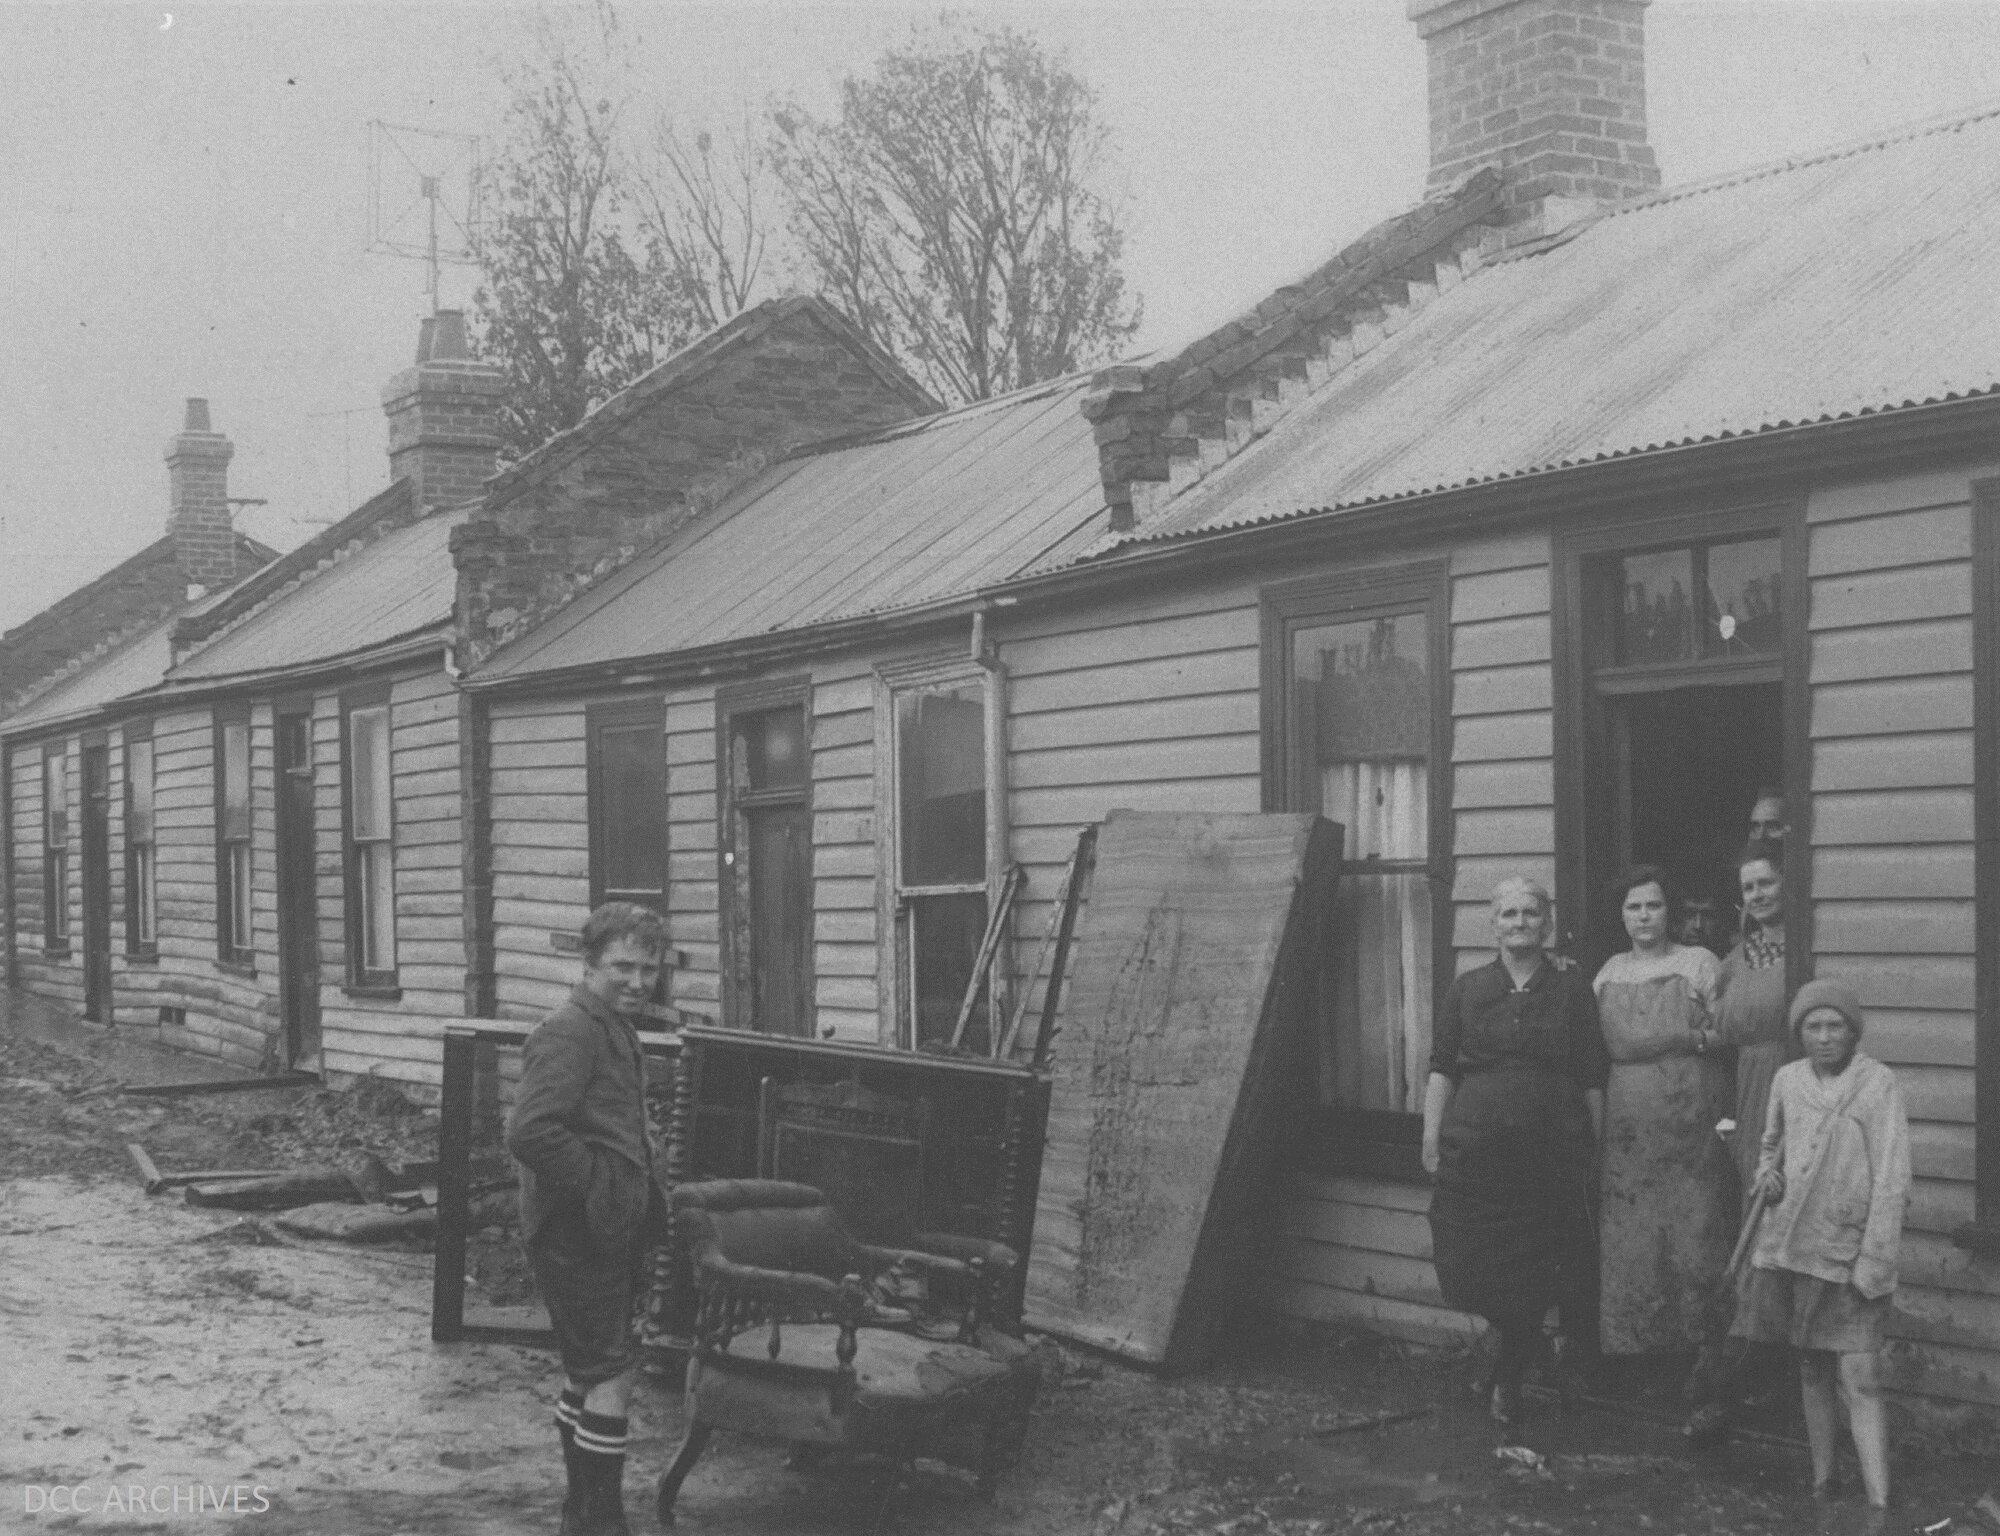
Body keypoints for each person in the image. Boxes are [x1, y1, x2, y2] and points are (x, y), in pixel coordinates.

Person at [507, 902, 671, 1536]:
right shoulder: (570, 1030)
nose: (636, 982)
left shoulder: (613, 1027)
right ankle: (603, 1522)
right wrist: (601, 1185)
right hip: (579, 1231)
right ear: (589, 964)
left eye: (648, 969)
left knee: (589, 1369)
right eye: (621, 967)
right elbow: (530, 1131)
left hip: (602, 1228)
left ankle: (581, 1516)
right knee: (611, 1371)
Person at [1424, 877, 1607, 1425]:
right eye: (1509, 915)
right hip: (1480, 1150)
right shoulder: (1469, 988)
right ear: (1493, 924)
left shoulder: (1572, 988)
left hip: (1551, 1149)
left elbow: (1591, 1072)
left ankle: (1513, 1374)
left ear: (1547, 923)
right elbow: (1442, 1068)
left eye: (1530, 914)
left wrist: (1594, 1144)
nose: (1520, 923)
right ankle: (1513, 1352)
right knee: (1477, 1258)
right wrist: (1431, 1137)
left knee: (1544, 1260)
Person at [1733, 979, 1911, 1523]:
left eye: (1836, 1026)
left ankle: (1878, 1503)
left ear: (1853, 1031)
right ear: (1799, 1033)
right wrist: (1769, 1176)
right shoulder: (1788, 1080)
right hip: (1794, 1247)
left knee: (1859, 1378)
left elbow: (1891, 1178)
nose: (1825, 1036)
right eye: (1813, 1026)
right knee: (1811, 1368)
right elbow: (1770, 1147)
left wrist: (1874, 1260)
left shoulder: (1877, 1085)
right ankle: (1823, 1483)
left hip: (1851, 1254)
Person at [1593, 866, 1735, 1363]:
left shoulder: (1699, 963)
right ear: (1622, 916)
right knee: (1635, 1231)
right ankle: (1640, 1352)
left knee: (1695, 1226)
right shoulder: (1608, 972)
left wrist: (1685, 1039)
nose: (1644, 915)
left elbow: (1727, 1034)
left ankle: (1702, 1351)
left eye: (1653, 905)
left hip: (1691, 1110)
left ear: (1668, 911)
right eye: (1634, 906)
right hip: (1629, 1118)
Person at [1683, 839, 1794, 1439]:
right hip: (1748, 1091)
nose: (1757, 895)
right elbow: (1713, 1033)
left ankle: (1784, 1363)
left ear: (1786, 885)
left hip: (1794, 1083)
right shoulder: (1732, 959)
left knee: (1785, 1215)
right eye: (1748, 888)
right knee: (1750, 1221)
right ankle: (1748, 1365)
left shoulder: (1802, 949)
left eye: (1767, 884)